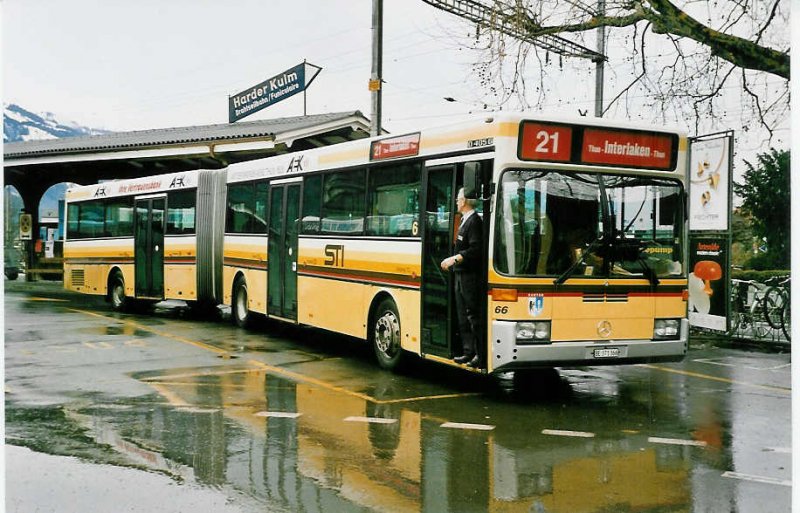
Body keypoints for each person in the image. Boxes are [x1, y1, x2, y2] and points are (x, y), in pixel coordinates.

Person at [440, 188, 483, 368]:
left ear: (464, 201)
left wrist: (454, 259)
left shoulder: (474, 222)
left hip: (469, 276)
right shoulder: (465, 220)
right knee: (462, 315)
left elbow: (475, 250)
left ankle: (479, 354)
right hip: (460, 274)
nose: (456, 202)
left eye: (458, 199)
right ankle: (468, 352)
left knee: (473, 316)